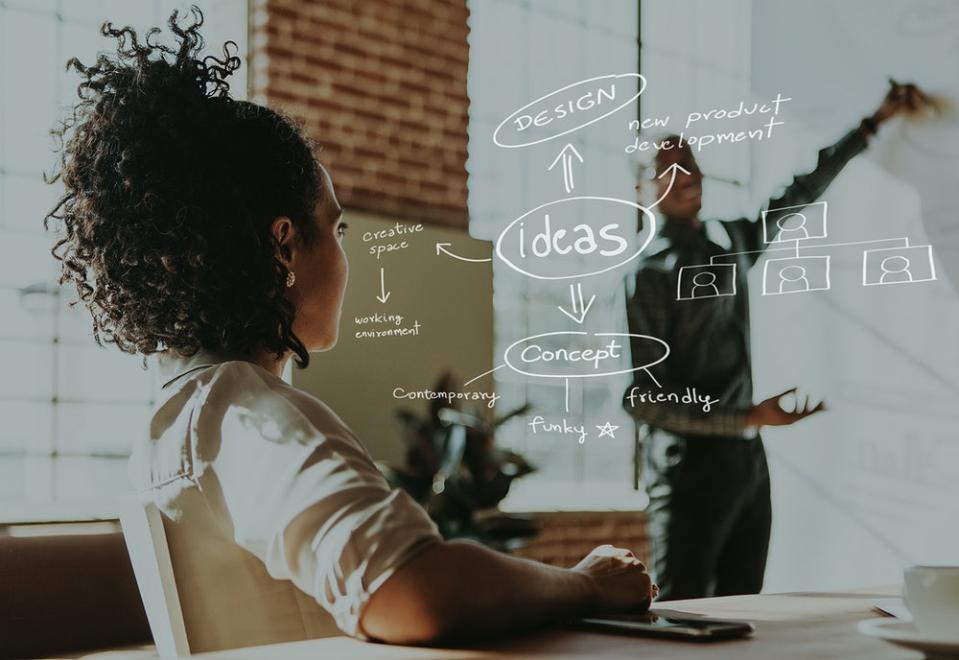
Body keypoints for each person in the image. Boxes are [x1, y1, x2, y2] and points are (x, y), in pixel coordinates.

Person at [44, 8, 655, 649]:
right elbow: (412, 590)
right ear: (284, 247)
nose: (344, 253)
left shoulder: (172, 424)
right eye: (337, 229)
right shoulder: (249, 415)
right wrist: (586, 584)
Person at [623, 80, 929, 601]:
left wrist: (871, 125)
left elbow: (799, 193)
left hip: (748, 468)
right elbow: (643, 398)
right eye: (666, 166)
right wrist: (743, 418)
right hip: (686, 474)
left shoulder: (732, 242)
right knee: (683, 619)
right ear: (642, 189)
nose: (684, 174)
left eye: (690, 160)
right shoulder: (646, 274)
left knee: (748, 617)